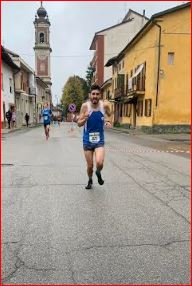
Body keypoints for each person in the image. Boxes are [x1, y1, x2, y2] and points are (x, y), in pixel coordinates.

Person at [77, 84, 112, 189]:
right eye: (93, 94)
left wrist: (108, 121)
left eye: (97, 94)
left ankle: (98, 172)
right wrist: (85, 118)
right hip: (87, 140)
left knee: (99, 162)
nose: (95, 96)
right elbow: (79, 123)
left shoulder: (103, 106)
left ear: (100, 95)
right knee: (90, 166)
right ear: (90, 95)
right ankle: (90, 179)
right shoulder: (85, 106)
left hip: (99, 140)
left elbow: (109, 115)